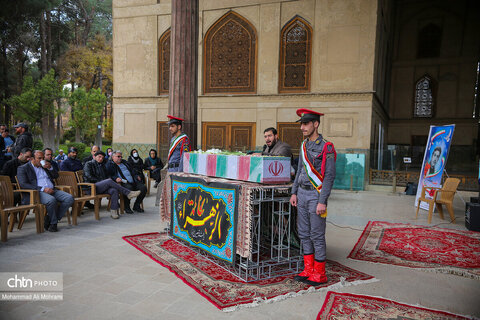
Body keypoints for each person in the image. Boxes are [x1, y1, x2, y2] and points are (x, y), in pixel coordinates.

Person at [289, 108, 336, 286]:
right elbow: (300, 170)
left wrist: (322, 201)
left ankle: (320, 273)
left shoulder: (327, 147)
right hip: (301, 193)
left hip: (316, 195)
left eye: (305, 124)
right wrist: (294, 192)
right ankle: (308, 269)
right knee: (303, 233)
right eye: (301, 124)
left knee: (316, 234)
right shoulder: (303, 146)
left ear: (315, 124)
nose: (302, 127)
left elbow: (329, 176)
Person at [17, 150, 74, 232]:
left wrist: (50, 168)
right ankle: (53, 223)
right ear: (32, 158)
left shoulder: (45, 166)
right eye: (39, 158)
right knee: (51, 200)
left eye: (43, 158)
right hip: (37, 192)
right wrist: (43, 189)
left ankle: (49, 218)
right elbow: (23, 184)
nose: (42, 160)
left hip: (52, 190)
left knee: (69, 198)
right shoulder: (23, 168)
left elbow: (56, 176)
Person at [84, 151, 141, 219]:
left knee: (114, 190)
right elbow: (89, 176)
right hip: (90, 187)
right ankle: (128, 193)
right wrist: (103, 181)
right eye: (99, 157)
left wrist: (106, 181)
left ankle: (114, 211)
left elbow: (107, 175)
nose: (101, 159)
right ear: (94, 157)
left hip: (100, 187)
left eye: (102, 157)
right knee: (109, 181)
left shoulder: (102, 165)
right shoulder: (88, 164)